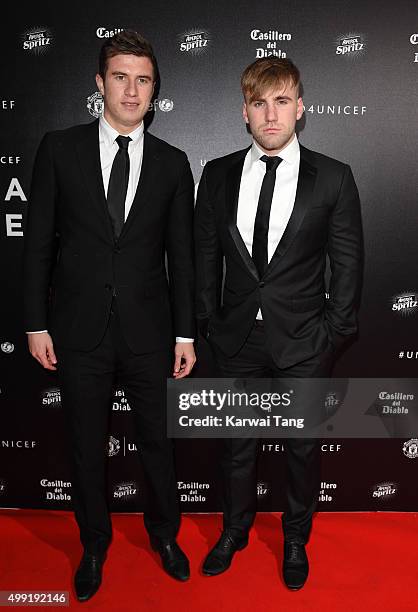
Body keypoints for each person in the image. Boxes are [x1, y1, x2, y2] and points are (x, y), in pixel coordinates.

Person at [23, 30, 195, 601]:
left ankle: (165, 536)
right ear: (100, 83)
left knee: (158, 445)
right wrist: (34, 322)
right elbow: (37, 247)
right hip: (78, 331)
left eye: (142, 79)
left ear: (154, 89)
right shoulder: (59, 148)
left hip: (149, 332)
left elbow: (183, 258)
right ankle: (93, 544)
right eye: (120, 77)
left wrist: (186, 332)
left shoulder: (173, 163)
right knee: (84, 443)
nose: (131, 90)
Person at [194, 57, 362, 590]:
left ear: (301, 108)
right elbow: (203, 261)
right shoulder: (217, 174)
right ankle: (234, 530)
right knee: (235, 446)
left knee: (302, 449)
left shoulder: (333, 176)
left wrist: (331, 336)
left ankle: (294, 538)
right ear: (245, 111)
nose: (271, 115)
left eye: (282, 101)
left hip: (304, 341)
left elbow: (349, 264)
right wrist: (210, 325)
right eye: (260, 103)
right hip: (237, 340)